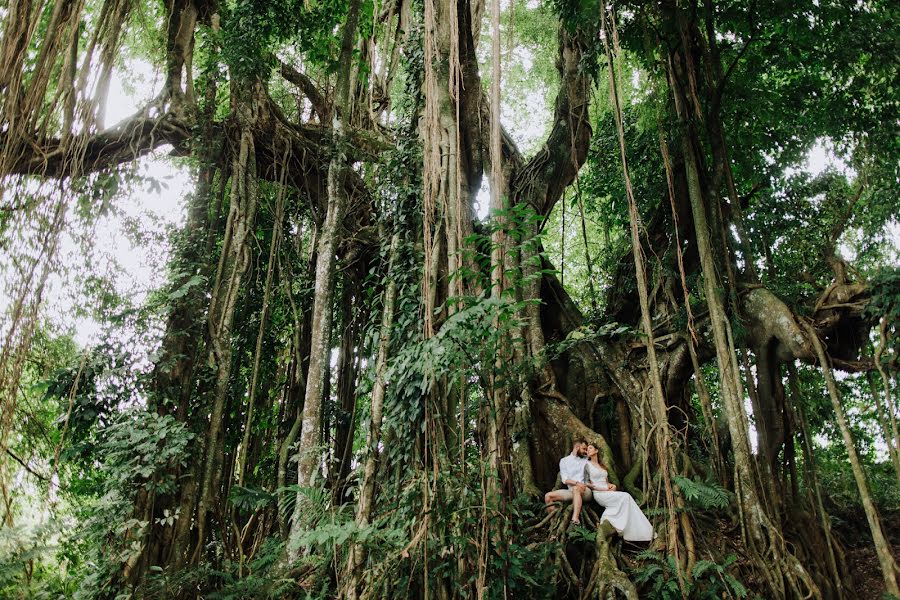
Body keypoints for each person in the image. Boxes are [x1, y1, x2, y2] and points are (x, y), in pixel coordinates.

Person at [584, 442, 655, 542]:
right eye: (587, 449)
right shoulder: (587, 465)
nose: (588, 450)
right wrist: (602, 489)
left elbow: (606, 481)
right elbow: (586, 483)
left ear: (596, 450)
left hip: (608, 491)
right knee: (625, 496)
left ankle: (640, 531)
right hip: (599, 493)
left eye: (590, 448)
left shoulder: (602, 466)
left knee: (625, 499)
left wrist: (612, 486)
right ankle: (628, 528)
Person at [544, 439, 592, 525]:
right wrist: (577, 483)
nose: (585, 451)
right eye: (584, 449)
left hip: (586, 490)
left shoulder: (586, 459)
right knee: (548, 496)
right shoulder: (564, 461)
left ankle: (575, 519)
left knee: (576, 489)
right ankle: (555, 523)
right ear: (577, 447)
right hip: (571, 491)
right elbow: (564, 479)